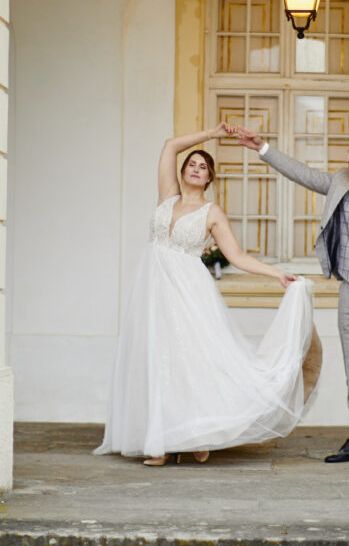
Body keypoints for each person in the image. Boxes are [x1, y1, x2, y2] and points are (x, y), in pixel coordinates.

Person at [94, 123, 315, 466]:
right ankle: (165, 439)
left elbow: (236, 256)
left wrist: (276, 274)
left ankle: (196, 433)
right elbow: (170, 145)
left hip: (188, 292)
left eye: (203, 167)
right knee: (156, 359)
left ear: (210, 177)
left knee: (190, 360)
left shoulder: (211, 213)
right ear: (183, 171)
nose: (196, 169)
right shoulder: (167, 196)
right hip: (153, 291)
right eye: (192, 164)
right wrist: (212, 134)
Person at [234, 126, 349, 466]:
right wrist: (262, 148)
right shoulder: (340, 181)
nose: (346, 159)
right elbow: (303, 174)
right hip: (348, 291)